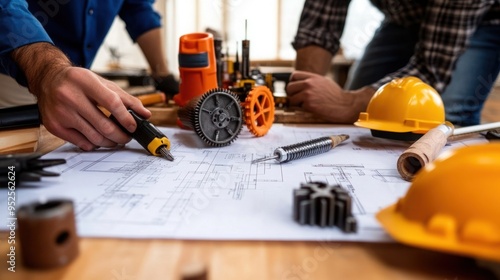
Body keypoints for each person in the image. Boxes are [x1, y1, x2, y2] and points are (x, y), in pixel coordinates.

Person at [287, 0, 500, 127]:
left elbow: (433, 66)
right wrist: (304, 96)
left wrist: (347, 103)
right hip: (405, 18)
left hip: (480, 22)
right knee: (362, 115)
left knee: (444, 114)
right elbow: (320, 22)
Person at [0, 0, 178, 151]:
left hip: (79, 85)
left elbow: (139, 8)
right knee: (13, 178)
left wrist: (162, 74)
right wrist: (49, 72)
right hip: (17, 74)